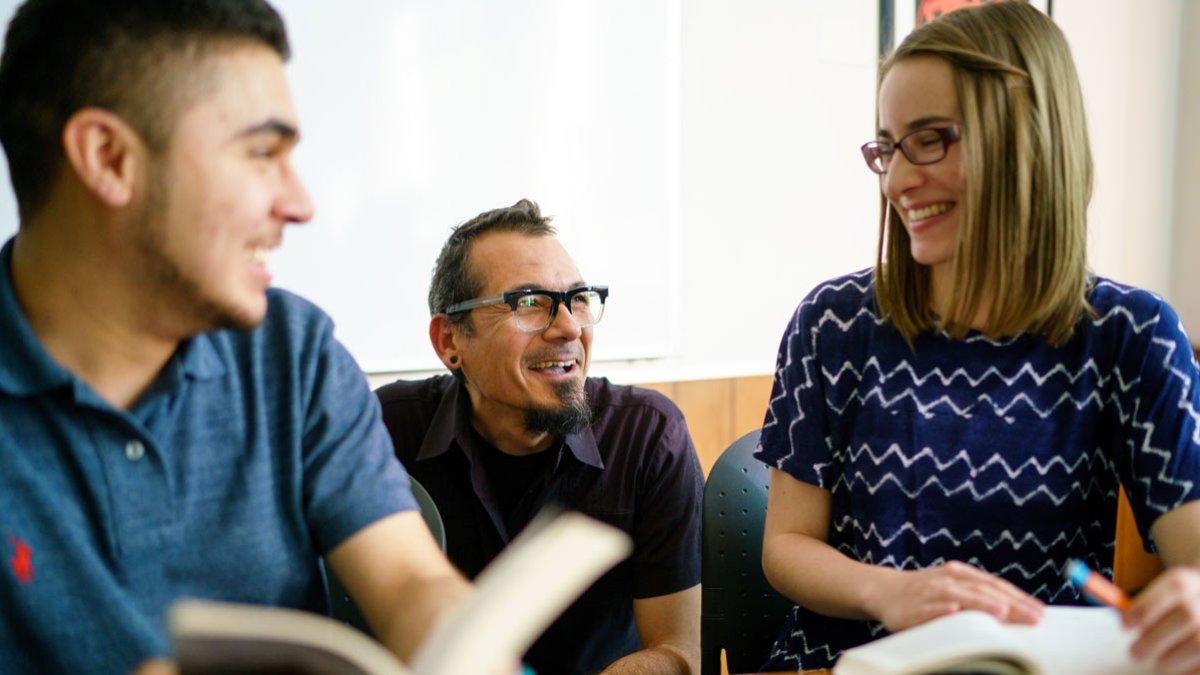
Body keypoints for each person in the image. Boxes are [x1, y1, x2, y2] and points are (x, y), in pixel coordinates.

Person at [0, 1, 470, 672]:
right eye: (260, 154)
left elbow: (409, 580)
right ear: (108, 158)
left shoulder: (294, 354)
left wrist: (460, 641)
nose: (301, 203)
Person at [755, 3, 1200, 672]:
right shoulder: (834, 322)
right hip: (850, 659)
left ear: (1027, 139)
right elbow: (786, 543)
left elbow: (1193, 550)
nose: (900, 180)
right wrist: (893, 591)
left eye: (931, 139)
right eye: (889, 146)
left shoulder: (1129, 334)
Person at [376, 199, 703, 675]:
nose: (569, 327)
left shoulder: (647, 435)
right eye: (528, 302)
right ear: (450, 341)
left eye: (578, 299)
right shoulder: (384, 434)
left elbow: (679, 654)